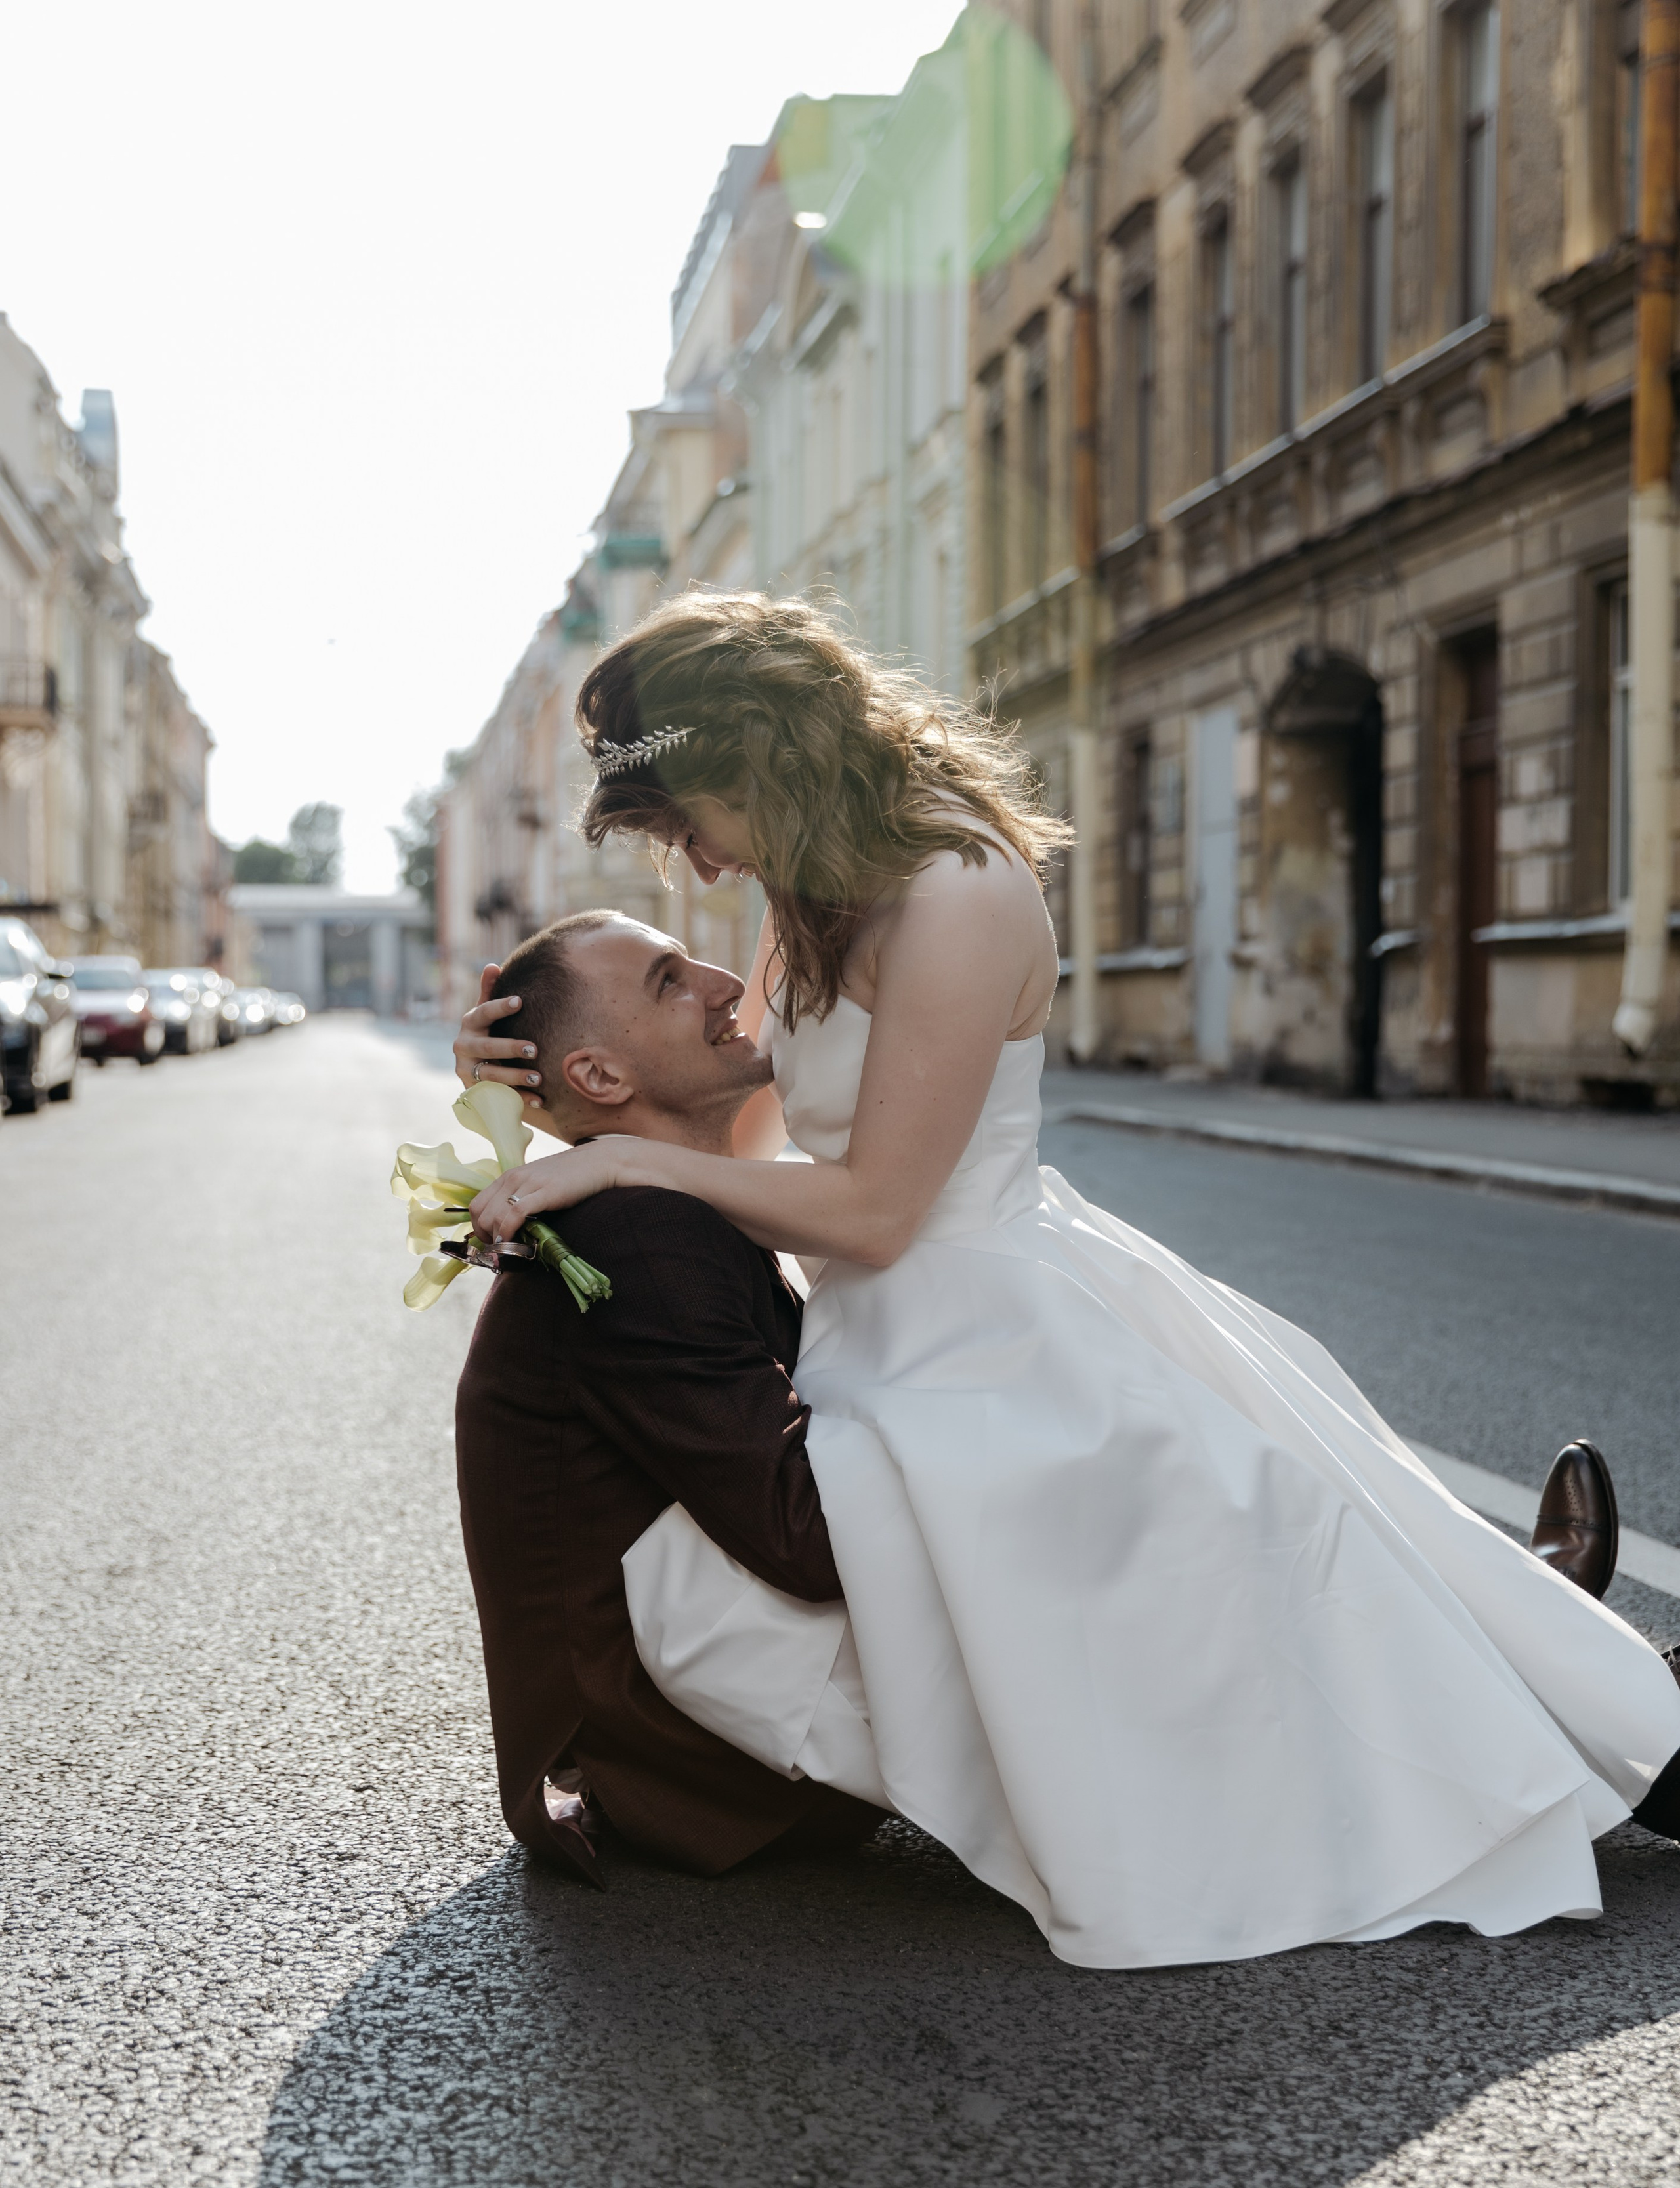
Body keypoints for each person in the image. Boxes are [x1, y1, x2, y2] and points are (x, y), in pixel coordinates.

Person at [455, 590, 1680, 1971]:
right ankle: (1541, 1640)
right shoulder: (800, 903)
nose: (689, 860)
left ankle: (1576, 1701)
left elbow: (868, 1207)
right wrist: (537, 1099)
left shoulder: (959, 892)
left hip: (999, 1318)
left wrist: (626, 1172)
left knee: (1272, 1534)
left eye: (683, 819)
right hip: (878, 1351)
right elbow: (739, 1126)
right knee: (1231, 1570)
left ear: (758, 758)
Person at [453, 910, 884, 1887]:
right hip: (706, 1766)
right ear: (601, 1079)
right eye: (667, 981)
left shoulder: (663, 1200)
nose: (724, 982)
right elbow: (809, 1539)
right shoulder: (640, 1234)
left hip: (685, 1723)